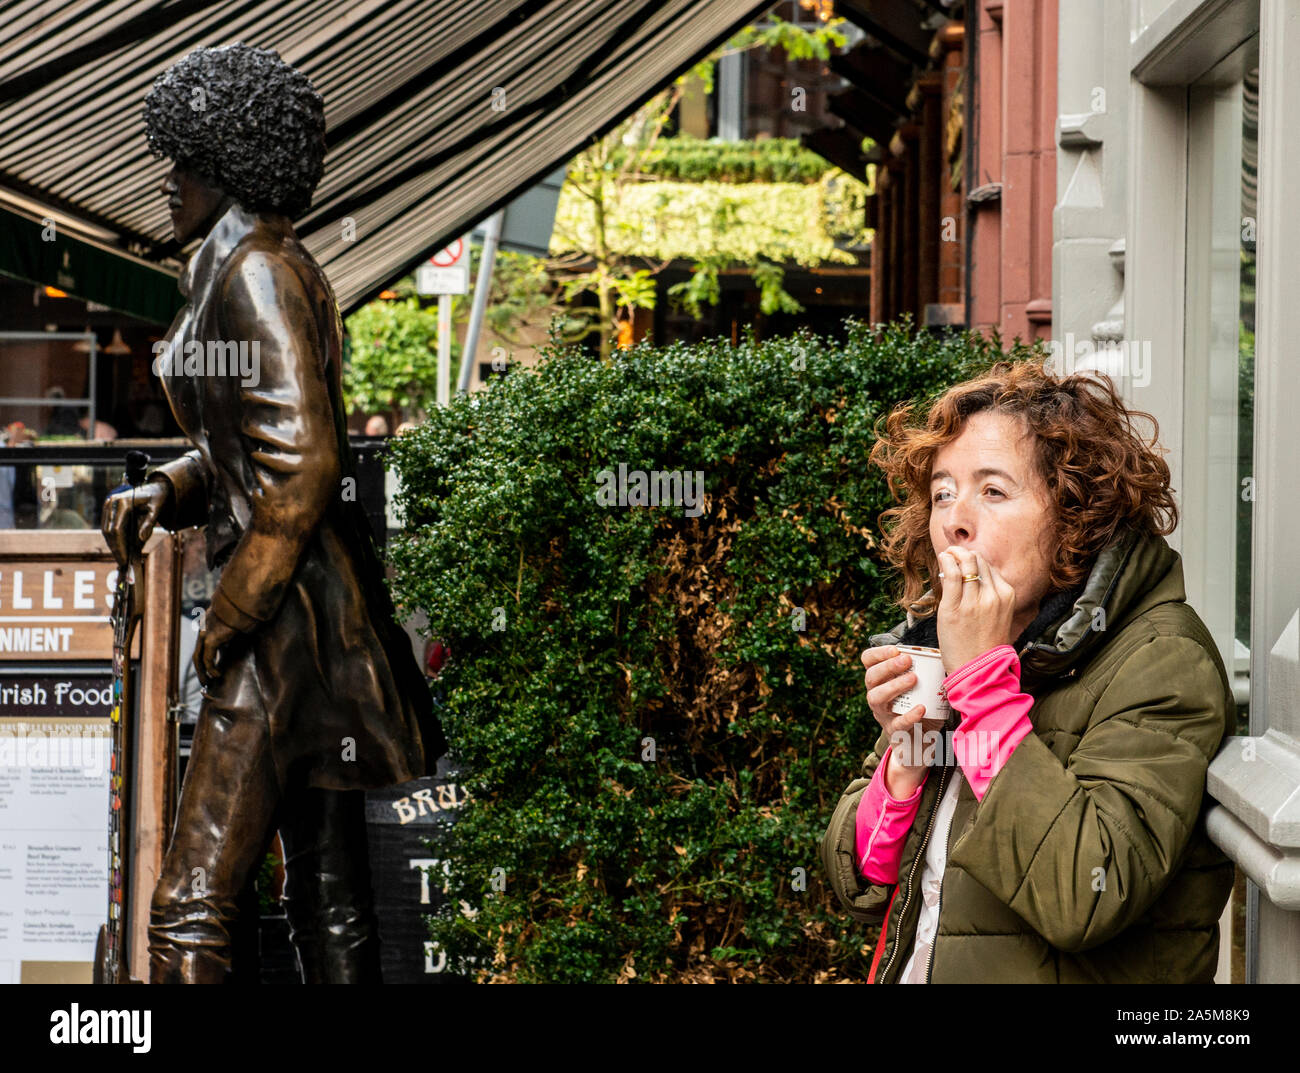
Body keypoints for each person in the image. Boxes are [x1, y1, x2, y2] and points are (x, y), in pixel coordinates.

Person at [100, 43, 445, 984]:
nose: (170, 184)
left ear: (233, 160)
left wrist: (230, 616)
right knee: (327, 893)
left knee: (187, 908)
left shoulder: (252, 273)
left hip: (278, 626)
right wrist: (170, 486)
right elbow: (253, 450)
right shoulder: (269, 264)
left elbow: (300, 470)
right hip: (315, 618)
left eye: (187, 162)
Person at [819, 360, 1235, 983]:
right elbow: (864, 883)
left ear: (1075, 516)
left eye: (992, 490)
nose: (955, 518)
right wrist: (910, 747)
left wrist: (983, 691)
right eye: (942, 492)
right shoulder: (966, 650)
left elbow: (1086, 895)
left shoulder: (1162, 659)